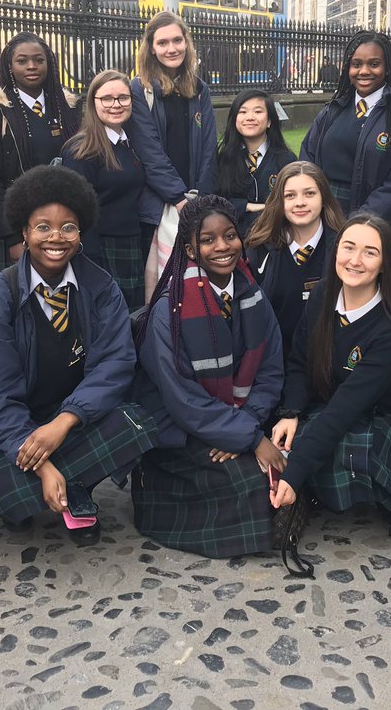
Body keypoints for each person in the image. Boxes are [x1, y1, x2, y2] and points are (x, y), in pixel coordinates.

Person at [0, 165, 156, 544]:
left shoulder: (101, 288)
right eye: (43, 227)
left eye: (68, 227)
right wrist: (42, 465)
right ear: (24, 231)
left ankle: (74, 485)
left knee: (135, 423)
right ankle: (57, 486)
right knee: (9, 490)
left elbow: (115, 366)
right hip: (13, 430)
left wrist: (65, 421)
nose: (56, 237)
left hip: (71, 421)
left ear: (81, 231)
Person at [269, 214, 391, 549]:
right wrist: (290, 411)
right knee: (283, 437)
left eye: (370, 252)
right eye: (348, 247)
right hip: (334, 407)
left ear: (386, 263)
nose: (355, 260)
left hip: (389, 423)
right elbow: (300, 364)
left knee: (345, 446)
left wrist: (294, 472)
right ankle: (321, 489)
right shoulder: (321, 297)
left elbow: (345, 410)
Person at [130, 195, 287, 558]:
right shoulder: (169, 310)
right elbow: (181, 398)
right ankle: (153, 492)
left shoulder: (253, 295)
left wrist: (246, 425)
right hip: (181, 431)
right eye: (208, 240)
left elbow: (270, 370)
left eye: (230, 235)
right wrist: (247, 436)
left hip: (234, 420)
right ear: (189, 248)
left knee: (276, 470)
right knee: (249, 480)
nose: (222, 247)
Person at [299, 31, 391, 244]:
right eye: (356, 64)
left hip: (376, 223)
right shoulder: (334, 109)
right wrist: (317, 210)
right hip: (325, 219)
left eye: (374, 64)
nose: (364, 71)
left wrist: (360, 223)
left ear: (387, 68)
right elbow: (307, 159)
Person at [0, 33, 78, 279]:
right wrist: (11, 236)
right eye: (22, 61)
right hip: (17, 223)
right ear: (9, 66)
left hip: (60, 221)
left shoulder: (67, 106)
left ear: (49, 63)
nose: (31, 66)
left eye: (38, 60)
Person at [127, 11, 218, 255]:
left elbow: (209, 147)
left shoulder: (199, 89)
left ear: (186, 43)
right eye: (162, 43)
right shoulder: (139, 89)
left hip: (195, 199)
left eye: (177, 40)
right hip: (159, 204)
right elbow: (149, 151)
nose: (171, 48)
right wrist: (178, 198)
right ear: (152, 48)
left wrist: (200, 197)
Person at [60, 70, 147, 311]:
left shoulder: (128, 143)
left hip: (130, 243)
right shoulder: (82, 149)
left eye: (123, 97)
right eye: (107, 98)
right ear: (93, 102)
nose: (116, 105)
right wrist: (91, 260)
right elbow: (76, 208)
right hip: (100, 250)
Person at [244, 160, 345, 362]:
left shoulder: (344, 249)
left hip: (329, 363)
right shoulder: (258, 249)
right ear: (279, 202)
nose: (300, 202)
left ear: (324, 197)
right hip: (274, 363)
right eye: (290, 195)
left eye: (309, 193)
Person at [215, 89, 297, 235]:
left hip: (275, 238)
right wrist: (248, 206)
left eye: (258, 112)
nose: (250, 117)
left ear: (270, 121)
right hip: (233, 240)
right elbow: (214, 201)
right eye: (243, 112)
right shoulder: (222, 159)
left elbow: (293, 201)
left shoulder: (286, 161)